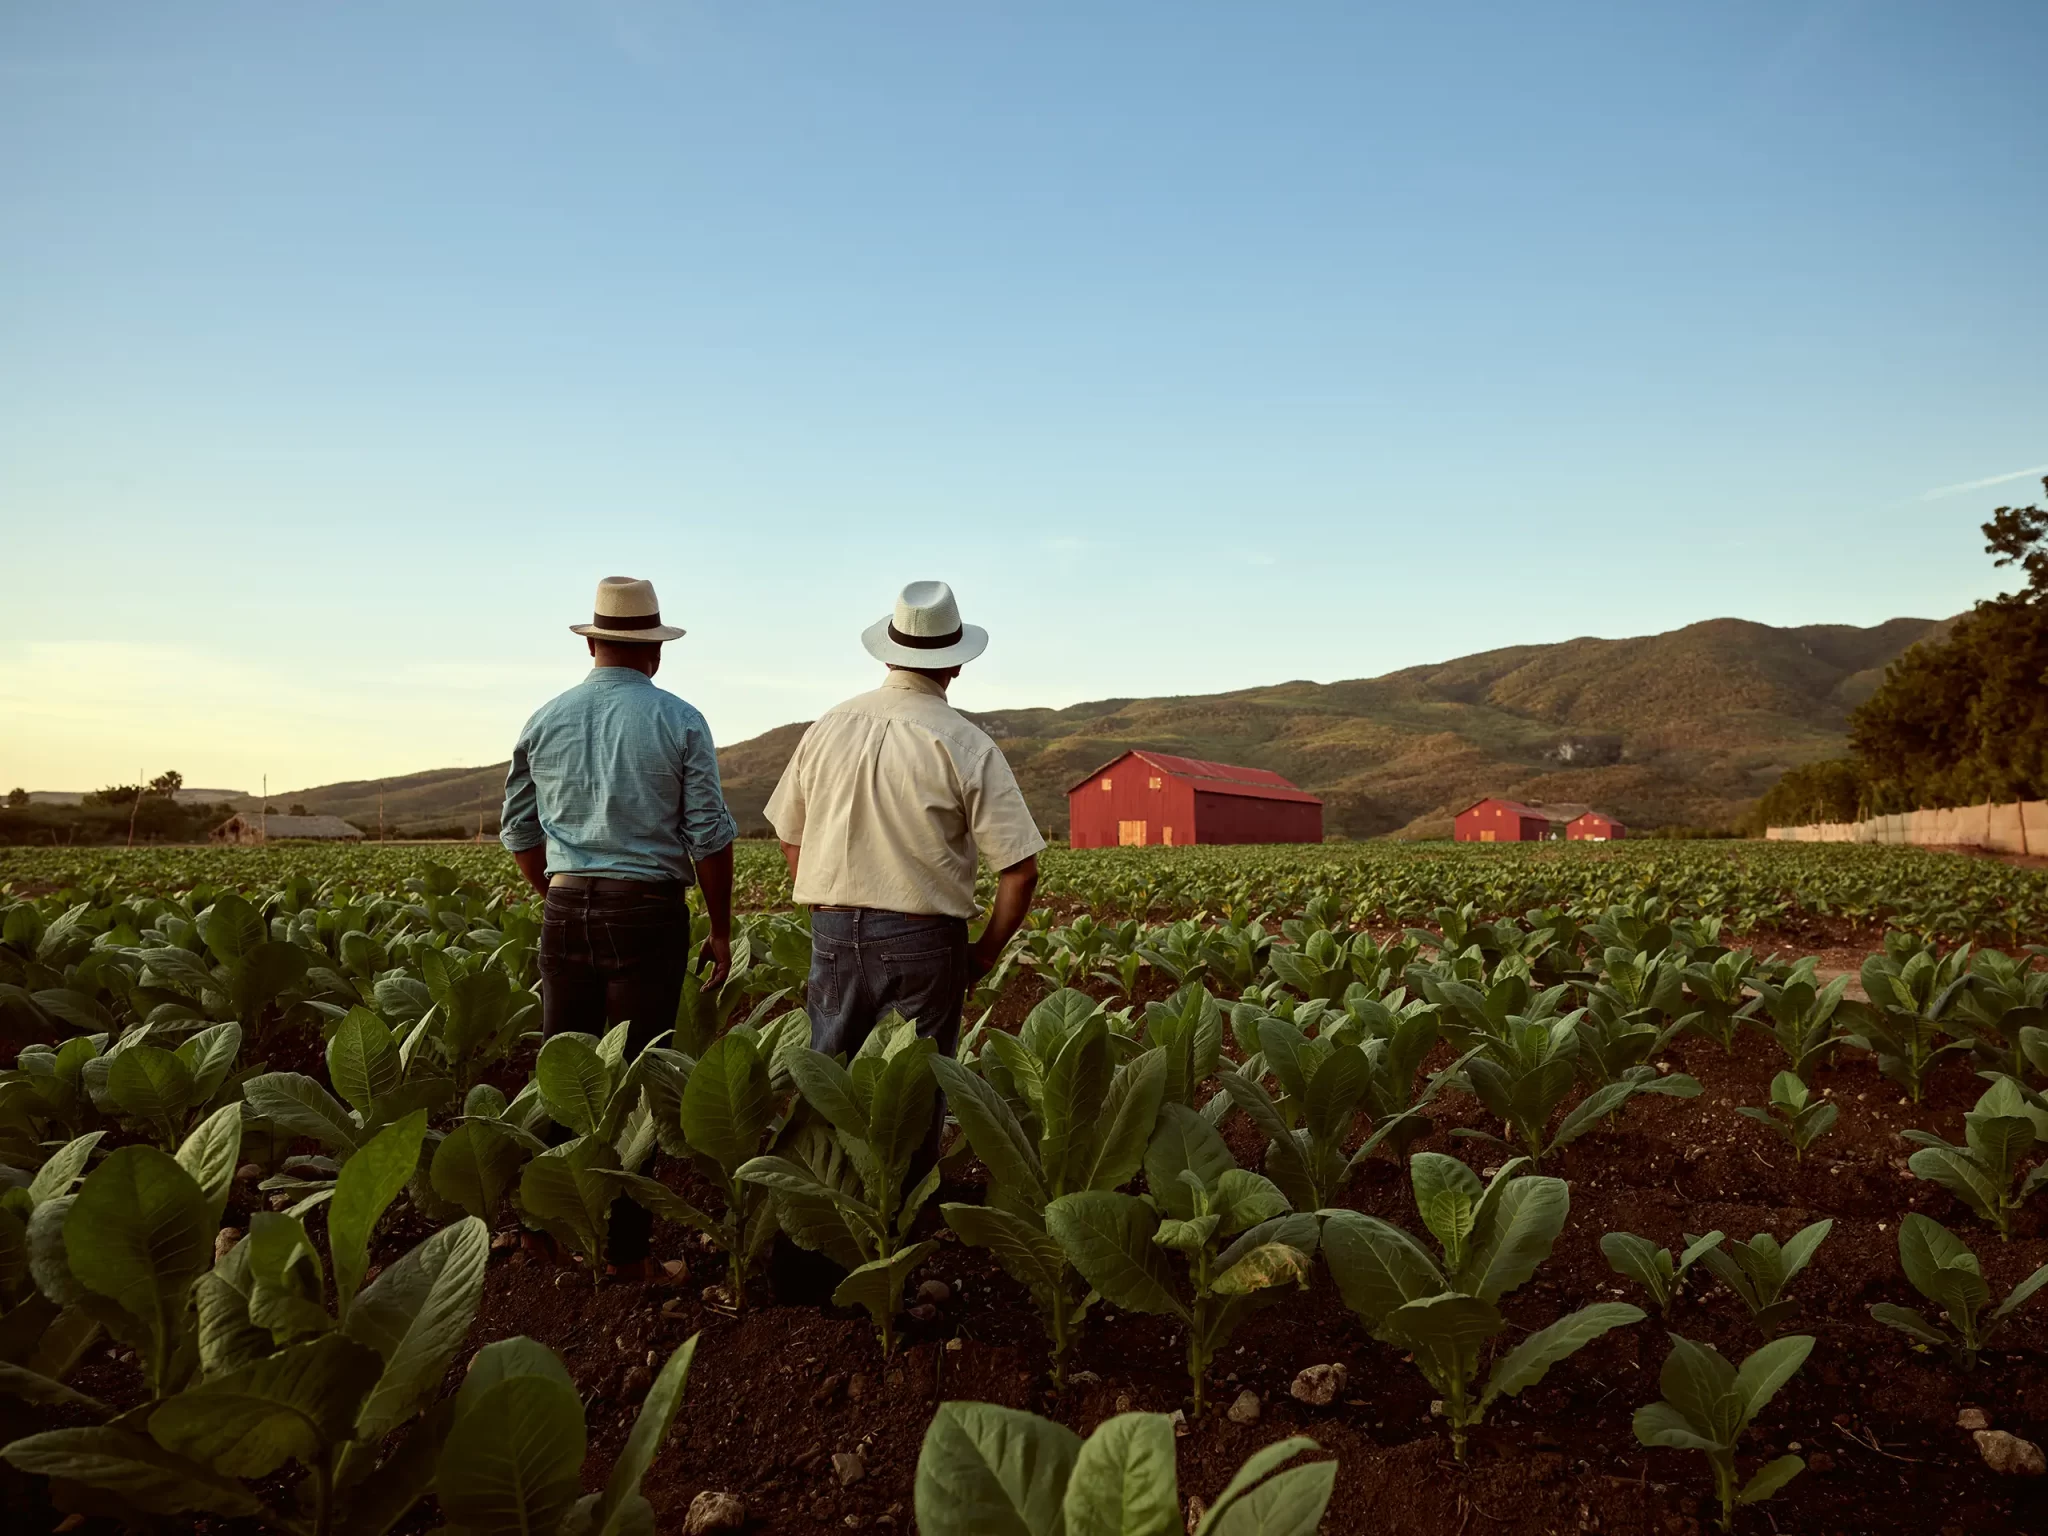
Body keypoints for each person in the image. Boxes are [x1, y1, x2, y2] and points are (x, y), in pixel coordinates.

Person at [500, 574, 737, 1276]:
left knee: (563, 1070)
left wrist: (556, 890)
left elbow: (517, 829)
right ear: (653, 653)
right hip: (648, 912)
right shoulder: (680, 719)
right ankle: (627, 1252)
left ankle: (556, 1228)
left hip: (567, 906)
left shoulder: (543, 719)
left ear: (594, 643)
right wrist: (720, 929)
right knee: (637, 1080)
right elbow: (710, 836)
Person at [764, 580, 1043, 1167]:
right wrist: (985, 954)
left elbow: (790, 834)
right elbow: (1019, 871)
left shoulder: (827, 726)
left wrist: (825, 904)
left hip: (833, 929)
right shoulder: (966, 743)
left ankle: (817, 1233)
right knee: (912, 1097)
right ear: (956, 665)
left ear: (887, 654)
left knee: (829, 1087)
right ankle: (898, 1232)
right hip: (922, 941)